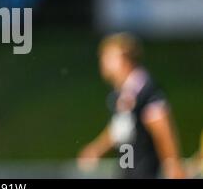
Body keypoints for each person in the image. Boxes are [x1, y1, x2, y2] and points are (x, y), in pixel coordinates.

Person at [77, 32, 186, 178]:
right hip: (127, 171)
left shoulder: (145, 90)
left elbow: (162, 128)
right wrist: (97, 149)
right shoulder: (119, 94)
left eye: (108, 57)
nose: (103, 62)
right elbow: (120, 128)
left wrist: (173, 165)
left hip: (145, 172)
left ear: (126, 59)